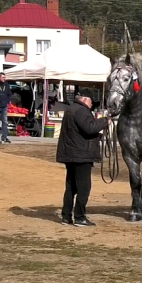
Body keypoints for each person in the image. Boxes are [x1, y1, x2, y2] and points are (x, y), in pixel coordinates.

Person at [56, 89, 111, 227]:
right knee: (84, 188)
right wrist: (105, 121)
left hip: (71, 154)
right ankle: (80, 217)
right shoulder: (81, 111)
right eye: (91, 102)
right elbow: (89, 128)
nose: (92, 105)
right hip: (81, 155)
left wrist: (97, 137)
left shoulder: (71, 110)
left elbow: (78, 132)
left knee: (71, 187)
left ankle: (66, 216)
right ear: (86, 100)